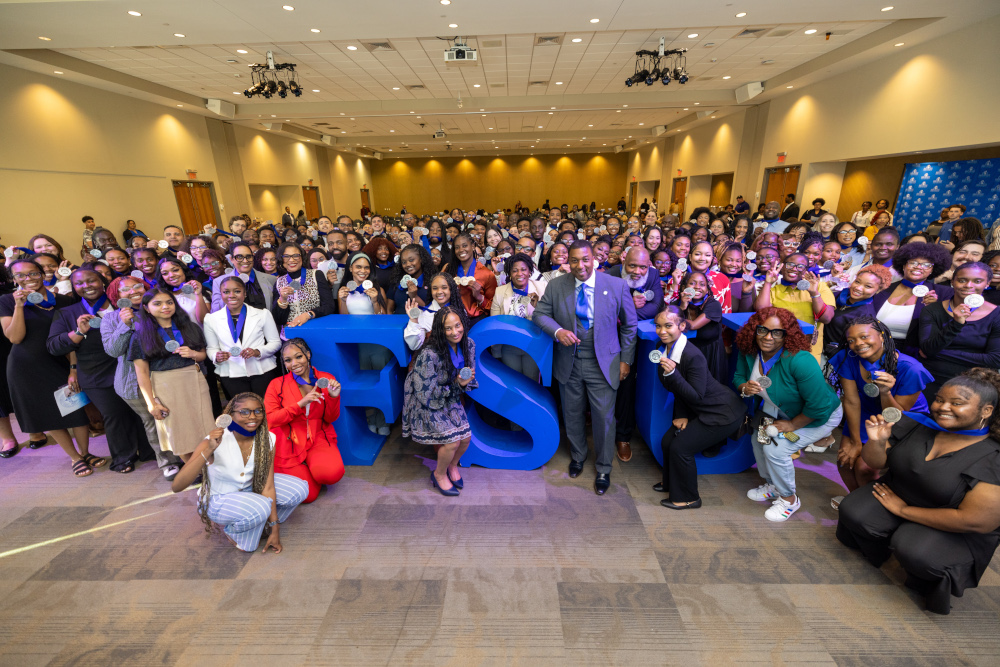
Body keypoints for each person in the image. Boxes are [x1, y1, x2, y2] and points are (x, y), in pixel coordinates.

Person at [837, 369, 1000, 615]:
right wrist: (877, 441)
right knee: (854, 511)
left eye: (957, 403)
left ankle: (919, 574)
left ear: (986, 411)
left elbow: (975, 520)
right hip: (903, 493)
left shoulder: (993, 457)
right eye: (940, 399)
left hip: (955, 523)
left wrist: (903, 510)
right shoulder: (918, 424)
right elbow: (876, 463)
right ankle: (883, 544)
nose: (943, 407)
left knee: (917, 552)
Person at [533, 241, 638, 495]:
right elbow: (540, 315)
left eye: (585, 260)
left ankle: (603, 467)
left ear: (595, 260)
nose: (580, 266)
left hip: (604, 362)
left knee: (603, 417)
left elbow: (630, 325)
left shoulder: (616, 285)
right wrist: (558, 331)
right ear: (567, 262)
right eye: (575, 261)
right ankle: (578, 457)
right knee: (572, 414)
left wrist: (626, 360)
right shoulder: (557, 285)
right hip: (569, 360)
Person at [733, 307, 843, 521]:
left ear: (787, 335)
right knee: (759, 440)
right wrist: (744, 388)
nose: (767, 337)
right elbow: (738, 376)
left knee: (778, 449)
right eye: (762, 330)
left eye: (777, 332)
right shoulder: (748, 351)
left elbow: (818, 405)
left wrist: (793, 424)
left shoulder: (801, 360)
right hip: (775, 411)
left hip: (816, 416)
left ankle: (789, 499)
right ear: (753, 330)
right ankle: (774, 485)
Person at [47, 266, 155, 473]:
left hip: (133, 369)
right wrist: (78, 332)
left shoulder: (122, 304)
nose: (86, 286)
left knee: (141, 412)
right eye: (79, 283)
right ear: (73, 287)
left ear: (103, 282)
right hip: (96, 374)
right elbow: (54, 346)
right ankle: (123, 457)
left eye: (91, 281)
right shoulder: (69, 312)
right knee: (115, 415)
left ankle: (149, 450)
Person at [172, 392, 309, 552]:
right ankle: (233, 531)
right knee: (250, 544)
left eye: (258, 411)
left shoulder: (268, 438)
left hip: (251, 490)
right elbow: (178, 485)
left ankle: (260, 520)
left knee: (299, 489)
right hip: (218, 499)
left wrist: (274, 528)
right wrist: (209, 449)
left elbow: (268, 485)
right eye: (244, 412)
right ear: (230, 415)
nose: (253, 417)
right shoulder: (214, 440)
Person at [0, 259, 93, 473]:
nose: (28, 279)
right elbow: (15, 338)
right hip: (26, 366)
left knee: (75, 408)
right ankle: (75, 457)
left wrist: (73, 368)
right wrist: (19, 306)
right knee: (48, 413)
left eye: (33, 273)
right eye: (20, 276)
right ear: (13, 280)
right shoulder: (7, 301)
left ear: (43, 274)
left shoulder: (63, 300)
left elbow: (73, 338)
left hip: (60, 362)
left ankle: (87, 451)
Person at [651, 304, 746, 509]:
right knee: (668, 440)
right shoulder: (663, 346)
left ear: (682, 326)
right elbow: (678, 391)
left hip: (722, 412)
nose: (662, 331)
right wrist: (683, 414)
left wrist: (672, 374)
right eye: (658, 326)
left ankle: (689, 497)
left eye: (668, 325)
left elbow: (696, 394)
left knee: (680, 447)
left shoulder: (692, 355)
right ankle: (671, 484)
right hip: (700, 408)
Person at [830, 316, 933, 500]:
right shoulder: (849, 357)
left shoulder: (911, 368)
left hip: (904, 418)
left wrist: (885, 392)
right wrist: (855, 442)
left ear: (882, 335)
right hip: (866, 412)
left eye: (864, 337)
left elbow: (896, 416)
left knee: (865, 467)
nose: (858, 344)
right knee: (845, 460)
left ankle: (871, 507)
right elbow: (852, 401)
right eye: (851, 340)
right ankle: (855, 502)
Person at [100, 275, 183, 480]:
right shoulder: (110, 319)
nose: (133, 291)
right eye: (125, 289)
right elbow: (113, 350)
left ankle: (186, 453)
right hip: (132, 382)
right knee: (153, 421)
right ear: (116, 296)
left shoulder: (157, 309)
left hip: (167, 375)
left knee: (177, 416)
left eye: (137, 286)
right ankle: (168, 462)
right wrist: (124, 324)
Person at [129, 287, 215, 462]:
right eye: (157, 304)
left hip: (194, 380)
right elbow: (142, 372)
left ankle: (213, 471)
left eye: (169, 302)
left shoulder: (189, 327)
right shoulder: (141, 335)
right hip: (164, 385)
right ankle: (195, 472)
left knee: (205, 428)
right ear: (146, 308)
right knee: (178, 433)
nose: (165, 307)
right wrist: (151, 403)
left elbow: (202, 355)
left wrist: (193, 354)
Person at [401, 306, 477, 496]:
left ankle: (452, 466)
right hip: (426, 401)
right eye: (448, 328)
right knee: (452, 442)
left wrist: (462, 384)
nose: (454, 332)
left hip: (449, 395)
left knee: (466, 438)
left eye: (457, 325)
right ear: (440, 331)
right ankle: (439, 474)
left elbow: (468, 376)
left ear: (463, 324)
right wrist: (457, 385)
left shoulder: (469, 345)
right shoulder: (429, 354)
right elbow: (426, 393)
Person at [264, 338, 344, 503]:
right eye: (288, 360)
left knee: (332, 474)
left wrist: (334, 398)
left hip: (318, 436)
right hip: (288, 441)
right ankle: (303, 469)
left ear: (308, 354)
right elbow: (271, 420)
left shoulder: (325, 378)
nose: (294, 363)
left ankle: (313, 467)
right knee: (308, 496)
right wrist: (300, 404)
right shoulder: (276, 385)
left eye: (298, 356)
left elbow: (331, 418)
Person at [919, 262, 1000, 399]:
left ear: (987, 283)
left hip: (975, 383)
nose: (968, 285)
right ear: (953, 281)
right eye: (962, 280)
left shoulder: (997, 314)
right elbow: (929, 349)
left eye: (977, 281)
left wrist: (940, 353)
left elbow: (995, 359)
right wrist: (956, 323)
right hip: (932, 377)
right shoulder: (932, 310)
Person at [204, 275, 281, 398]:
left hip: (262, 370)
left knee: (265, 408)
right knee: (241, 410)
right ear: (221, 294)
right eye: (226, 292)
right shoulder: (211, 319)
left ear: (244, 293)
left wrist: (258, 351)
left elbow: (275, 342)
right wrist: (216, 356)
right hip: (231, 372)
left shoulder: (263, 314)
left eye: (237, 291)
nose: (232, 295)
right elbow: (211, 348)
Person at [872, 242, 953, 355]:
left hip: (910, 352)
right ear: (904, 265)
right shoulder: (884, 289)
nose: (918, 267)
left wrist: (935, 309)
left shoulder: (942, 293)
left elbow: (950, 327)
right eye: (913, 262)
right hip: (874, 345)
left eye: (926, 265)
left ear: (932, 270)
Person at [755, 252, 835, 363]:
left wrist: (814, 293)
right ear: (782, 266)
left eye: (800, 266)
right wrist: (768, 282)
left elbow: (826, 318)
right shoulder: (774, 290)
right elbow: (761, 312)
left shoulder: (820, 287)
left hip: (808, 353)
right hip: (778, 351)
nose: (794, 269)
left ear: (806, 269)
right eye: (790, 264)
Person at [491, 254, 546, 379]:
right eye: (514, 270)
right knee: (513, 383)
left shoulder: (542, 288)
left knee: (531, 384)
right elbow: (495, 324)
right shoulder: (500, 292)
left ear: (530, 271)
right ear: (509, 273)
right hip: (510, 346)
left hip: (533, 346)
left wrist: (538, 307)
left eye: (523, 269)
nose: (519, 274)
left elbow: (549, 319)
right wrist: (496, 352)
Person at [824, 265, 894, 359]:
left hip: (834, 357)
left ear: (878, 290)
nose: (858, 288)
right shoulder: (840, 295)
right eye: (857, 282)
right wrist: (831, 282)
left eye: (868, 286)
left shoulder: (865, 316)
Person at [271, 242, 335, 331]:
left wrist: (308, 315)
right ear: (281, 259)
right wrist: (283, 300)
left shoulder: (316, 275)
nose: (292, 260)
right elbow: (279, 320)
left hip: (315, 330)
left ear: (302, 257)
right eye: (286, 256)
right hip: (291, 334)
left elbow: (329, 306)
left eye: (296, 255)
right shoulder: (279, 282)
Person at [449, 233, 497, 321]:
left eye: (464, 246)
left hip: (477, 320)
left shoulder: (486, 274)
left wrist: (479, 297)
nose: (461, 250)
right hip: (453, 320)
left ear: (473, 246)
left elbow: (494, 306)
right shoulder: (449, 269)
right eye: (457, 247)